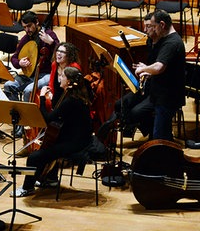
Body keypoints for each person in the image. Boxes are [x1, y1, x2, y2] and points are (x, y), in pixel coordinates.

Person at [12, 66, 93, 197]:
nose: (59, 78)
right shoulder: (75, 96)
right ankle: (50, 179)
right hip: (78, 138)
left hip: (76, 143)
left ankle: (27, 188)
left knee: (34, 157)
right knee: (48, 148)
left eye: (62, 76)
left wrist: (42, 98)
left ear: (69, 82)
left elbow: (47, 119)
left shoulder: (70, 101)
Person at [96, 13, 155, 142]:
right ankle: (135, 126)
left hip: (157, 91)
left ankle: (149, 132)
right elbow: (151, 63)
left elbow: (160, 68)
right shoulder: (150, 41)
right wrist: (144, 67)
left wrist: (147, 71)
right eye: (145, 26)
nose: (145, 30)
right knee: (119, 104)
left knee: (134, 112)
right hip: (147, 85)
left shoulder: (164, 44)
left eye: (149, 27)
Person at [3, 11, 59, 136]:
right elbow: (14, 58)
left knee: (29, 90)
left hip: (46, 74)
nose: (27, 30)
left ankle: (28, 124)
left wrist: (51, 43)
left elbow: (61, 52)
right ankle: (18, 121)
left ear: (36, 22)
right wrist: (19, 63)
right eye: (24, 27)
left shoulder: (49, 34)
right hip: (30, 75)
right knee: (8, 85)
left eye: (29, 26)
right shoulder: (26, 39)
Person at [133, 9, 185, 141]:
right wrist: (148, 72)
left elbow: (159, 67)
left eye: (154, 26)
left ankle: (165, 159)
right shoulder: (166, 39)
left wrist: (145, 68)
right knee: (158, 132)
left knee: (160, 138)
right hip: (160, 94)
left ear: (162, 25)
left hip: (168, 98)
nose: (153, 30)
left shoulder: (172, 43)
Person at [47, 42, 82, 108]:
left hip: (68, 102)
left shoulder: (74, 68)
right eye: (58, 50)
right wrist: (50, 92)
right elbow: (51, 82)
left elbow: (75, 91)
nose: (58, 53)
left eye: (62, 52)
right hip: (55, 99)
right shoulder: (54, 64)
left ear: (69, 55)